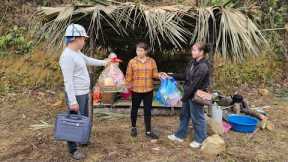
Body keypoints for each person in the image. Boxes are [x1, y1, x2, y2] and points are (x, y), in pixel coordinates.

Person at [59, 24, 109, 160]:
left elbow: (87, 60)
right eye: (83, 38)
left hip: (83, 92)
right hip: (75, 95)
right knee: (73, 121)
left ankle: (82, 140)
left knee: (83, 118)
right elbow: (68, 81)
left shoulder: (77, 52)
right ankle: (73, 149)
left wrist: (104, 63)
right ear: (75, 38)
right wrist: (73, 101)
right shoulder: (67, 56)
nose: (84, 41)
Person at [164, 42, 211, 149]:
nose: (192, 52)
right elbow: (185, 76)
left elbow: (195, 85)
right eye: (192, 50)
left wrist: (184, 98)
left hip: (196, 96)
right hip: (188, 94)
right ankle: (180, 135)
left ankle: (200, 139)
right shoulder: (192, 63)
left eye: (195, 50)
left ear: (201, 52)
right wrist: (170, 75)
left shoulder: (203, 66)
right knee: (184, 116)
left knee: (197, 118)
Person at [126, 42, 166, 140]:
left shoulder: (151, 61)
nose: (138, 52)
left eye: (141, 50)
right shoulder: (132, 62)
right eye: (137, 50)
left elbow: (154, 74)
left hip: (148, 90)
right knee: (134, 109)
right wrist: (127, 86)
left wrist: (160, 75)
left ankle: (148, 131)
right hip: (136, 90)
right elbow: (128, 75)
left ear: (146, 51)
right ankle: (133, 127)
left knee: (147, 110)